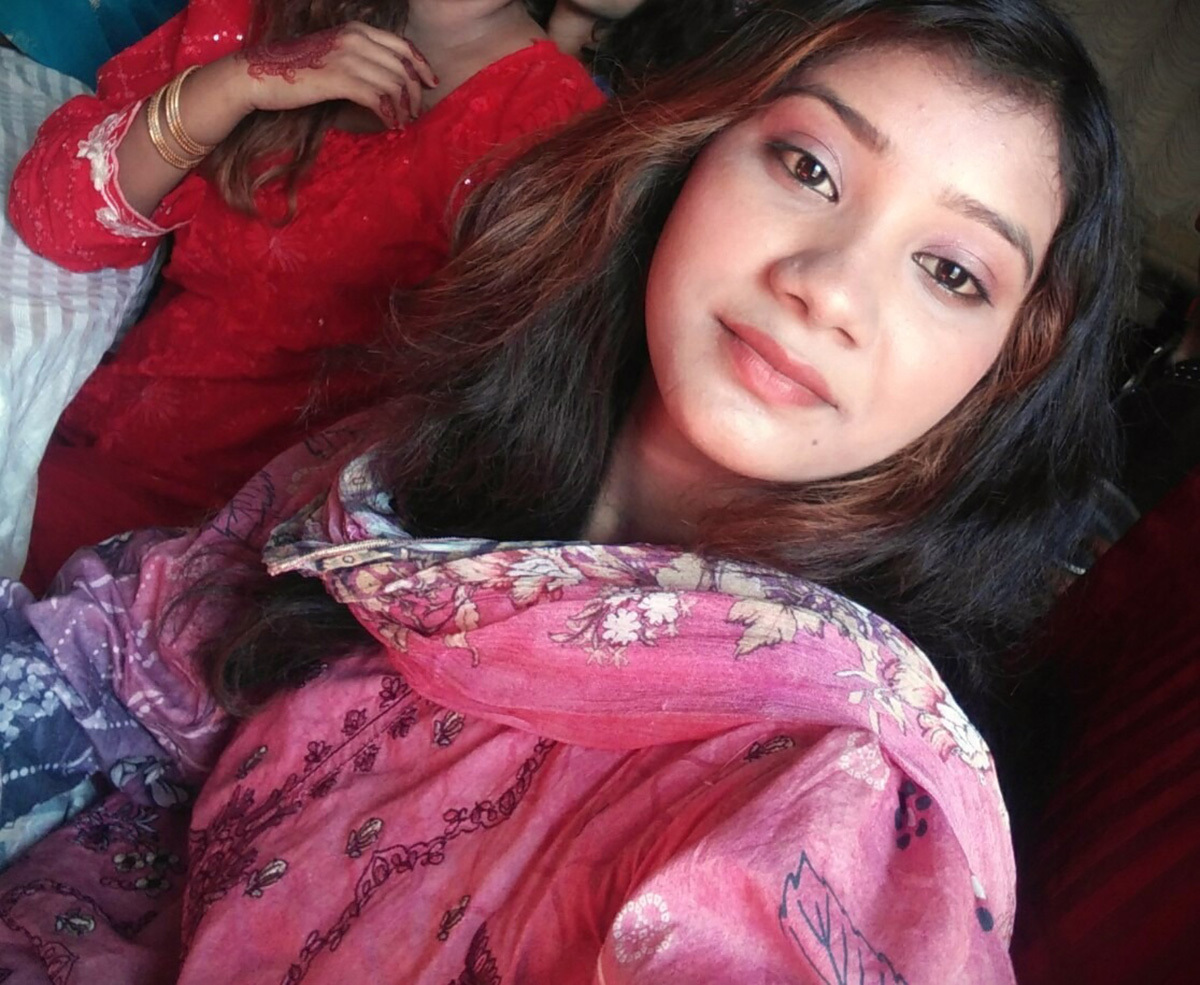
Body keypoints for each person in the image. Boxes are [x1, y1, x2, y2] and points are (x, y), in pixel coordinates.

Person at [0, 0, 1131, 980]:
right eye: (809, 167)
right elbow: (121, 647)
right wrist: (234, 88)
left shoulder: (838, 788)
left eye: (951, 271)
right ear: (686, 153)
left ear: (1005, 374)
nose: (829, 289)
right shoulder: (410, 456)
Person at [9, 0, 602, 592]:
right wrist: (237, 83)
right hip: (71, 436)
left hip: (242, 555)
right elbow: (55, 221)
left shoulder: (559, 135)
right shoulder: (268, 12)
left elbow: (486, 451)